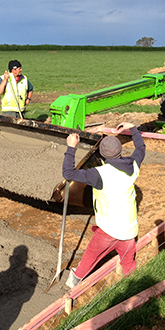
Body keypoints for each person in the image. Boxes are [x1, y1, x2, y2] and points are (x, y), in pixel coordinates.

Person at [62, 122, 146, 288]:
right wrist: (133, 128)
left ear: (101, 155)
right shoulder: (133, 166)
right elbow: (141, 148)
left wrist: (71, 147)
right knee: (129, 264)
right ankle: (135, 289)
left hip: (107, 231)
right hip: (129, 232)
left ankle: (73, 284)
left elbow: (68, 173)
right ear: (120, 151)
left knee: (89, 258)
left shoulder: (99, 174)